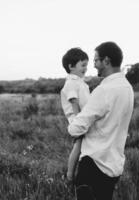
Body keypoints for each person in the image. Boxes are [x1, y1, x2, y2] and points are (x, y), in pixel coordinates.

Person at [68, 42, 134, 200]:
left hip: (94, 164)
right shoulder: (127, 88)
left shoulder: (104, 90)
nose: (94, 65)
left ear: (106, 61)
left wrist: (74, 118)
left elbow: (75, 129)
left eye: (96, 60)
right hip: (113, 165)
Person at [60, 47, 90, 182]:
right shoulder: (71, 82)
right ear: (71, 66)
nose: (86, 68)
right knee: (78, 146)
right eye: (83, 65)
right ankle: (70, 175)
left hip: (84, 118)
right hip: (77, 119)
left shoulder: (79, 82)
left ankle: (83, 172)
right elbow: (74, 101)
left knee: (84, 146)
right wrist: (79, 122)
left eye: (86, 65)